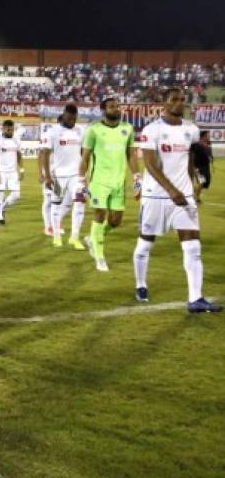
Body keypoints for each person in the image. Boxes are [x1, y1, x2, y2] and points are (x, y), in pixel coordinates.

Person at [133, 89, 220, 312]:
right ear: (164, 102)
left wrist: (191, 183)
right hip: (155, 196)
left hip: (184, 197)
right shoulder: (152, 130)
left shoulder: (191, 129)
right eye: (175, 99)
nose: (180, 103)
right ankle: (141, 284)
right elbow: (150, 165)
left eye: (183, 100)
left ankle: (195, 299)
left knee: (193, 247)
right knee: (145, 244)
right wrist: (171, 190)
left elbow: (189, 158)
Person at [78, 98, 140, 272]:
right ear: (103, 110)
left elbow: (131, 155)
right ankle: (100, 257)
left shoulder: (127, 129)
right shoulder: (94, 130)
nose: (116, 109)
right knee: (99, 215)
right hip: (99, 182)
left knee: (115, 221)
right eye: (112, 106)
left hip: (119, 181)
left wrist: (137, 175)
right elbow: (85, 157)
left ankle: (92, 238)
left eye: (117, 106)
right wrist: (81, 179)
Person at [40, 105, 86, 249]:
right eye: (69, 117)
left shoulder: (80, 131)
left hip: (76, 176)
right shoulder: (53, 133)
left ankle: (74, 237)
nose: (72, 120)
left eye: (74, 118)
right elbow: (45, 155)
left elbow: (85, 153)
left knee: (80, 203)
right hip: (59, 176)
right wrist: (47, 176)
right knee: (56, 205)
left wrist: (85, 174)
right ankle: (57, 237)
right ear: (64, 115)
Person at [0, 120, 23, 225]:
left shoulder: (16, 140)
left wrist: (21, 169)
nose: (10, 131)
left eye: (12, 129)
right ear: (3, 128)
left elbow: (19, 155)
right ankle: (0, 219)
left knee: (16, 195)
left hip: (13, 172)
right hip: (1, 172)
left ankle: (3, 207)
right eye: (8, 129)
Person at [191, 130, 213, 200]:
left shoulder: (208, 143)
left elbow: (209, 153)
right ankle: (196, 197)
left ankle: (194, 193)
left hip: (206, 167)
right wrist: (193, 167)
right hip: (198, 166)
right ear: (204, 136)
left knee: (206, 182)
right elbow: (192, 155)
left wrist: (210, 157)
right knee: (202, 181)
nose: (209, 137)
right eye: (208, 135)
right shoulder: (196, 145)